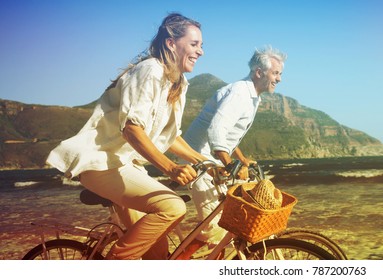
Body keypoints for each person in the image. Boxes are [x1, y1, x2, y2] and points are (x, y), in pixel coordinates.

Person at [46, 13, 207, 260]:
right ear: (171, 43)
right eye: (194, 44)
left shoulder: (178, 83)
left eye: (201, 46)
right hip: (103, 163)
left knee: (158, 255)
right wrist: (171, 168)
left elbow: (168, 137)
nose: (200, 52)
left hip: (127, 167)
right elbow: (131, 129)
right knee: (173, 206)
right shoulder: (150, 71)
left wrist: (207, 163)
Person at [178, 46, 287, 258]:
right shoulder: (239, 94)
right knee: (215, 230)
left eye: (280, 74)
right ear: (258, 72)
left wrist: (242, 159)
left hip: (213, 161)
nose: (279, 79)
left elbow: (228, 135)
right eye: (275, 73)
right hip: (199, 162)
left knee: (235, 222)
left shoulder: (253, 96)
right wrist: (230, 165)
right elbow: (216, 130)